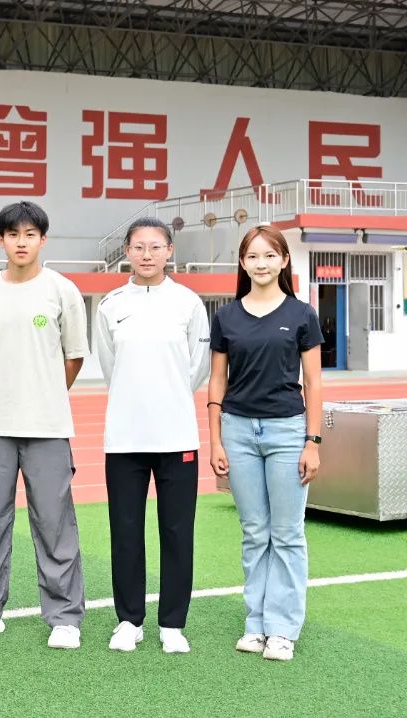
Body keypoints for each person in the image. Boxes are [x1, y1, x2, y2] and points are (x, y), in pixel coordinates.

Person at [0, 201, 89, 650]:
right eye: (13, 234)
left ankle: (64, 617)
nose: (21, 242)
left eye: (30, 234)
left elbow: (74, 357)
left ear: (43, 240)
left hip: (48, 427)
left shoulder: (62, 290)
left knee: (54, 523)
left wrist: (44, 395)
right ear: (1, 241)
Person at [93, 217, 210, 654]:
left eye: (155, 247)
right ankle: (129, 621)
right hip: (125, 437)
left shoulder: (188, 303)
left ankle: (173, 624)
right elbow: (110, 365)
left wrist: (169, 395)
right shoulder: (110, 305)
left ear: (169, 251)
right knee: (125, 531)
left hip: (176, 435)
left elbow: (197, 367)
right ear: (126, 251)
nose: (147, 255)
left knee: (178, 531)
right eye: (139, 247)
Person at [208, 224, 323, 662]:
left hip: (287, 432)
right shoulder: (226, 317)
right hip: (238, 431)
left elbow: (313, 382)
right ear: (242, 263)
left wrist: (312, 441)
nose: (261, 263)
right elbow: (217, 381)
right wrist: (215, 440)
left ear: (284, 261)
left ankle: (283, 629)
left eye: (270, 255)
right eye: (253, 256)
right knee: (254, 532)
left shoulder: (302, 314)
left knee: (287, 533)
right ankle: (255, 623)